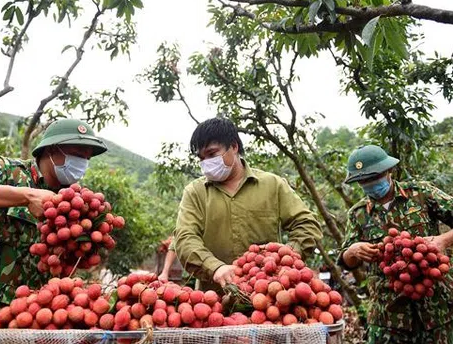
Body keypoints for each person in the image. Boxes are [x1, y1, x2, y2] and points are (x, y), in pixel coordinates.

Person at [0, 119, 107, 327]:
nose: (82, 164)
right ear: (52, 150)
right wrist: (25, 196)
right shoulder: (9, 172)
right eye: (78, 155)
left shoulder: (76, 203)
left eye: (87, 158)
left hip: (41, 316)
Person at [174, 117, 323, 290]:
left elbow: (306, 224)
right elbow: (185, 238)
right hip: (214, 301)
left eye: (212, 154)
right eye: (201, 158)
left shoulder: (273, 185)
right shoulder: (195, 193)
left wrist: (286, 258)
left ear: (234, 147)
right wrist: (215, 267)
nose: (207, 163)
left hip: (270, 295)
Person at [338, 144, 453, 343]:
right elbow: (347, 261)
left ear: (389, 170)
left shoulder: (421, 193)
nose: (369, 184)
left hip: (438, 310)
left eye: (373, 177)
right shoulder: (358, 214)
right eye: (363, 181)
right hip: (388, 318)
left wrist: (444, 240)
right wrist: (353, 251)